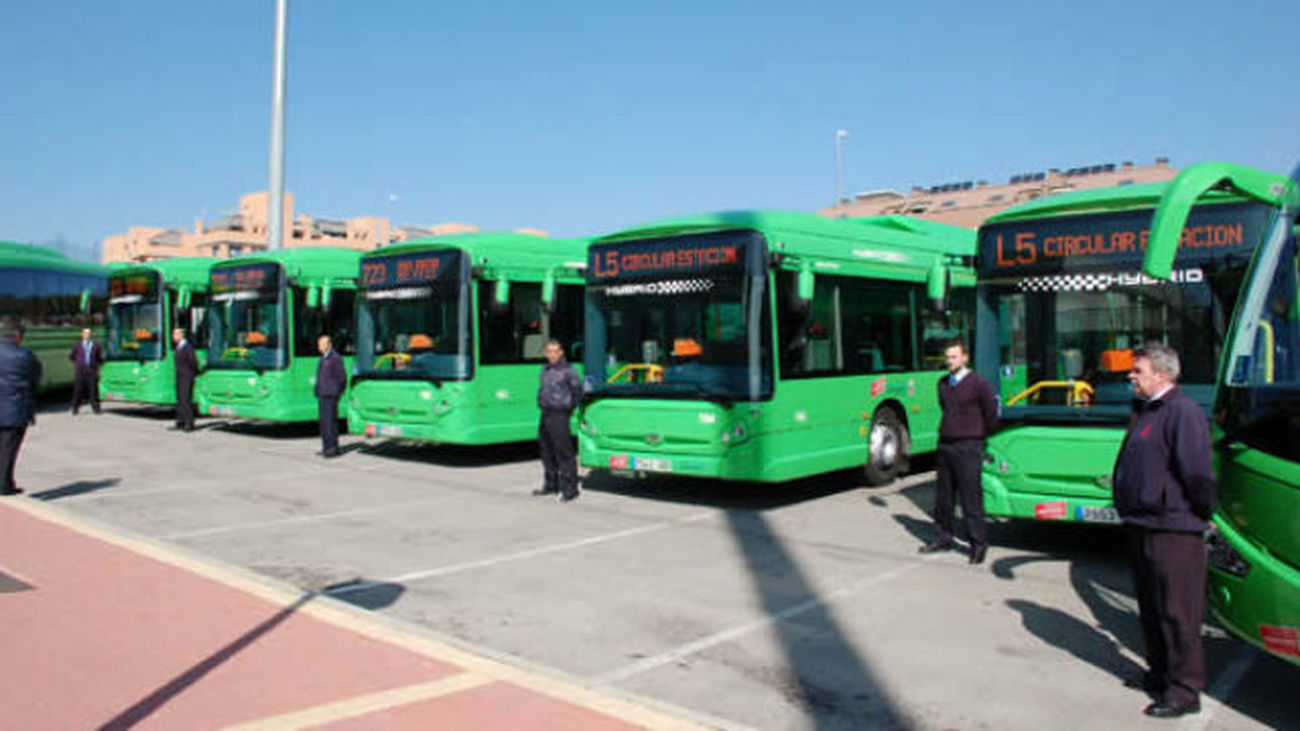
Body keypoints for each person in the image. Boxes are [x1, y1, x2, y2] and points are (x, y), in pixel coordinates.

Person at [1111, 343, 1215, 719]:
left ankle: (1185, 690)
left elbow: (1198, 475)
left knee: (1177, 613)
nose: (1131, 376)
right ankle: (1159, 675)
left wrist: (1201, 514)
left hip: (1173, 530)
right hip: (1143, 526)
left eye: (1138, 370)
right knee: (1152, 609)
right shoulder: (1147, 410)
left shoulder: (1182, 412)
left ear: (1163, 374)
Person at [920, 339, 998, 564]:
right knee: (943, 498)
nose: (949, 361)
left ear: (965, 358)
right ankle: (943, 537)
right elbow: (946, 408)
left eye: (954, 357)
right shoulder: (943, 383)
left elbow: (991, 414)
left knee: (970, 497)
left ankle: (978, 544)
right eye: (947, 357)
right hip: (946, 445)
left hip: (968, 446)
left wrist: (977, 435)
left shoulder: (978, 384)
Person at [533, 339, 583, 502]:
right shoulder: (545, 370)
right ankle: (551, 484)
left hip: (559, 414)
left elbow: (577, 393)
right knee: (546, 451)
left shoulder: (569, 371)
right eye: (549, 351)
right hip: (545, 413)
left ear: (561, 352)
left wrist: (568, 409)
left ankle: (570, 488)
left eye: (555, 351)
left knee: (564, 452)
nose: (552, 355)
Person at [0, 319, 41, 495]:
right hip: (15, 409)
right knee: (9, 449)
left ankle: (7, 482)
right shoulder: (26, 356)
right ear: (18, 337)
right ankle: (4, 485)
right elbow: (36, 378)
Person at [314, 334, 346, 458]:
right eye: (319, 345)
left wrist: (337, 391)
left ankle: (332, 449)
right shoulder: (322, 358)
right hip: (322, 394)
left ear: (329, 345)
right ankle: (326, 447)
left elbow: (341, 377)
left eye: (322, 344)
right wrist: (317, 390)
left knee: (330, 423)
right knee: (324, 424)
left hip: (331, 395)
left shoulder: (335, 358)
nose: (320, 347)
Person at [68, 327, 104, 415]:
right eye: (85, 334)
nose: (87, 335)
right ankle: (75, 408)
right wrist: (78, 363)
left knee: (93, 390)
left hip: (92, 369)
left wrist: (97, 366)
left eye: (89, 334)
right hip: (81, 370)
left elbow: (99, 357)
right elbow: (72, 356)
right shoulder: (78, 345)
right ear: (82, 335)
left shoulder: (95, 345)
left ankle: (96, 408)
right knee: (78, 390)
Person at [172, 328, 198, 432]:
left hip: (187, 377)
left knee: (186, 400)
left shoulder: (188, 347)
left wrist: (192, 374)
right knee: (180, 400)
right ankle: (180, 421)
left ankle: (189, 423)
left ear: (181, 335)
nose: (173, 337)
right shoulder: (178, 347)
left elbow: (193, 362)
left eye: (175, 334)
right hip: (179, 377)